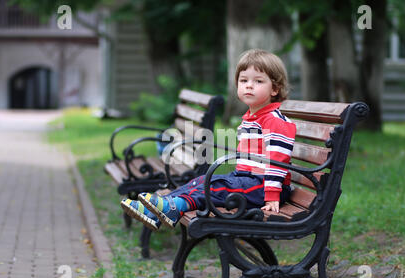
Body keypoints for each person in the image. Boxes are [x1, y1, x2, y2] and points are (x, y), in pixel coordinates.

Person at [121, 49, 296, 231]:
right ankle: (159, 209)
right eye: (243, 80)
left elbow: (278, 161)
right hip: (247, 180)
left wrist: (272, 195)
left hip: (263, 186)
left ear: (275, 89)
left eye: (258, 81)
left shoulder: (274, 120)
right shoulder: (252, 117)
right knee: (201, 181)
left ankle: (174, 207)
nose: (249, 86)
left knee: (214, 188)